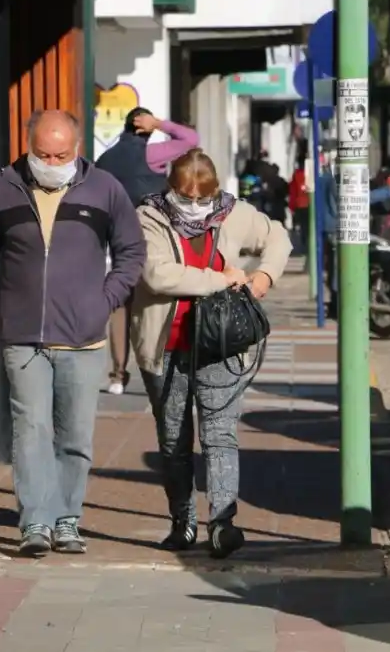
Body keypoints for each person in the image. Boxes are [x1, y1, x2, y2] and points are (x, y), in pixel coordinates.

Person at [0, 110, 147, 557]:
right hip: (22, 335)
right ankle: (36, 522)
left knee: (75, 436)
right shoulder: (2, 189)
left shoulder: (104, 189)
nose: (51, 162)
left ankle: (67, 519)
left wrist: (105, 300)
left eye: (60, 155)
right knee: (31, 429)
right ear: (29, 147)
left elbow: (132, 251)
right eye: (42, 154)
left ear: (77, 149)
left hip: (84, 337)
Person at [130, 149, 293, 558]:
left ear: (216, 190)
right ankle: (182, 521)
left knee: (220, 433)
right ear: (171, 189)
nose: (195, 206)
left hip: (221, 342)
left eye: (203, 198)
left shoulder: (232, 213)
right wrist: (221, 278)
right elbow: (157, 274)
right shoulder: (148, 217)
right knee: (174, 439)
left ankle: (222, 523)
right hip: (166, 345)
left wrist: (264, 276)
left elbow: (278, 236)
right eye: (185, 197)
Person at [95, 107, 199, 396]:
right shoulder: (151, 154)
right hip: (151, 239)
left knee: (121, 305)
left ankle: (117, 375)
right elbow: (191, 139)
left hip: (119, 238)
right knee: (157, 302)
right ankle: (159, 369)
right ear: (145, 128)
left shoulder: (104, 160)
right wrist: (160, 123)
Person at [321, 164, 390, 315]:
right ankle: (338, 304)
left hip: (332, 227)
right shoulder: (339, 181)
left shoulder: (330, 178)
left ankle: (335, 303)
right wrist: (388, 191)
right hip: (340, 227)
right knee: (339, 267)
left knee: (335, 266)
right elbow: (357, 200)